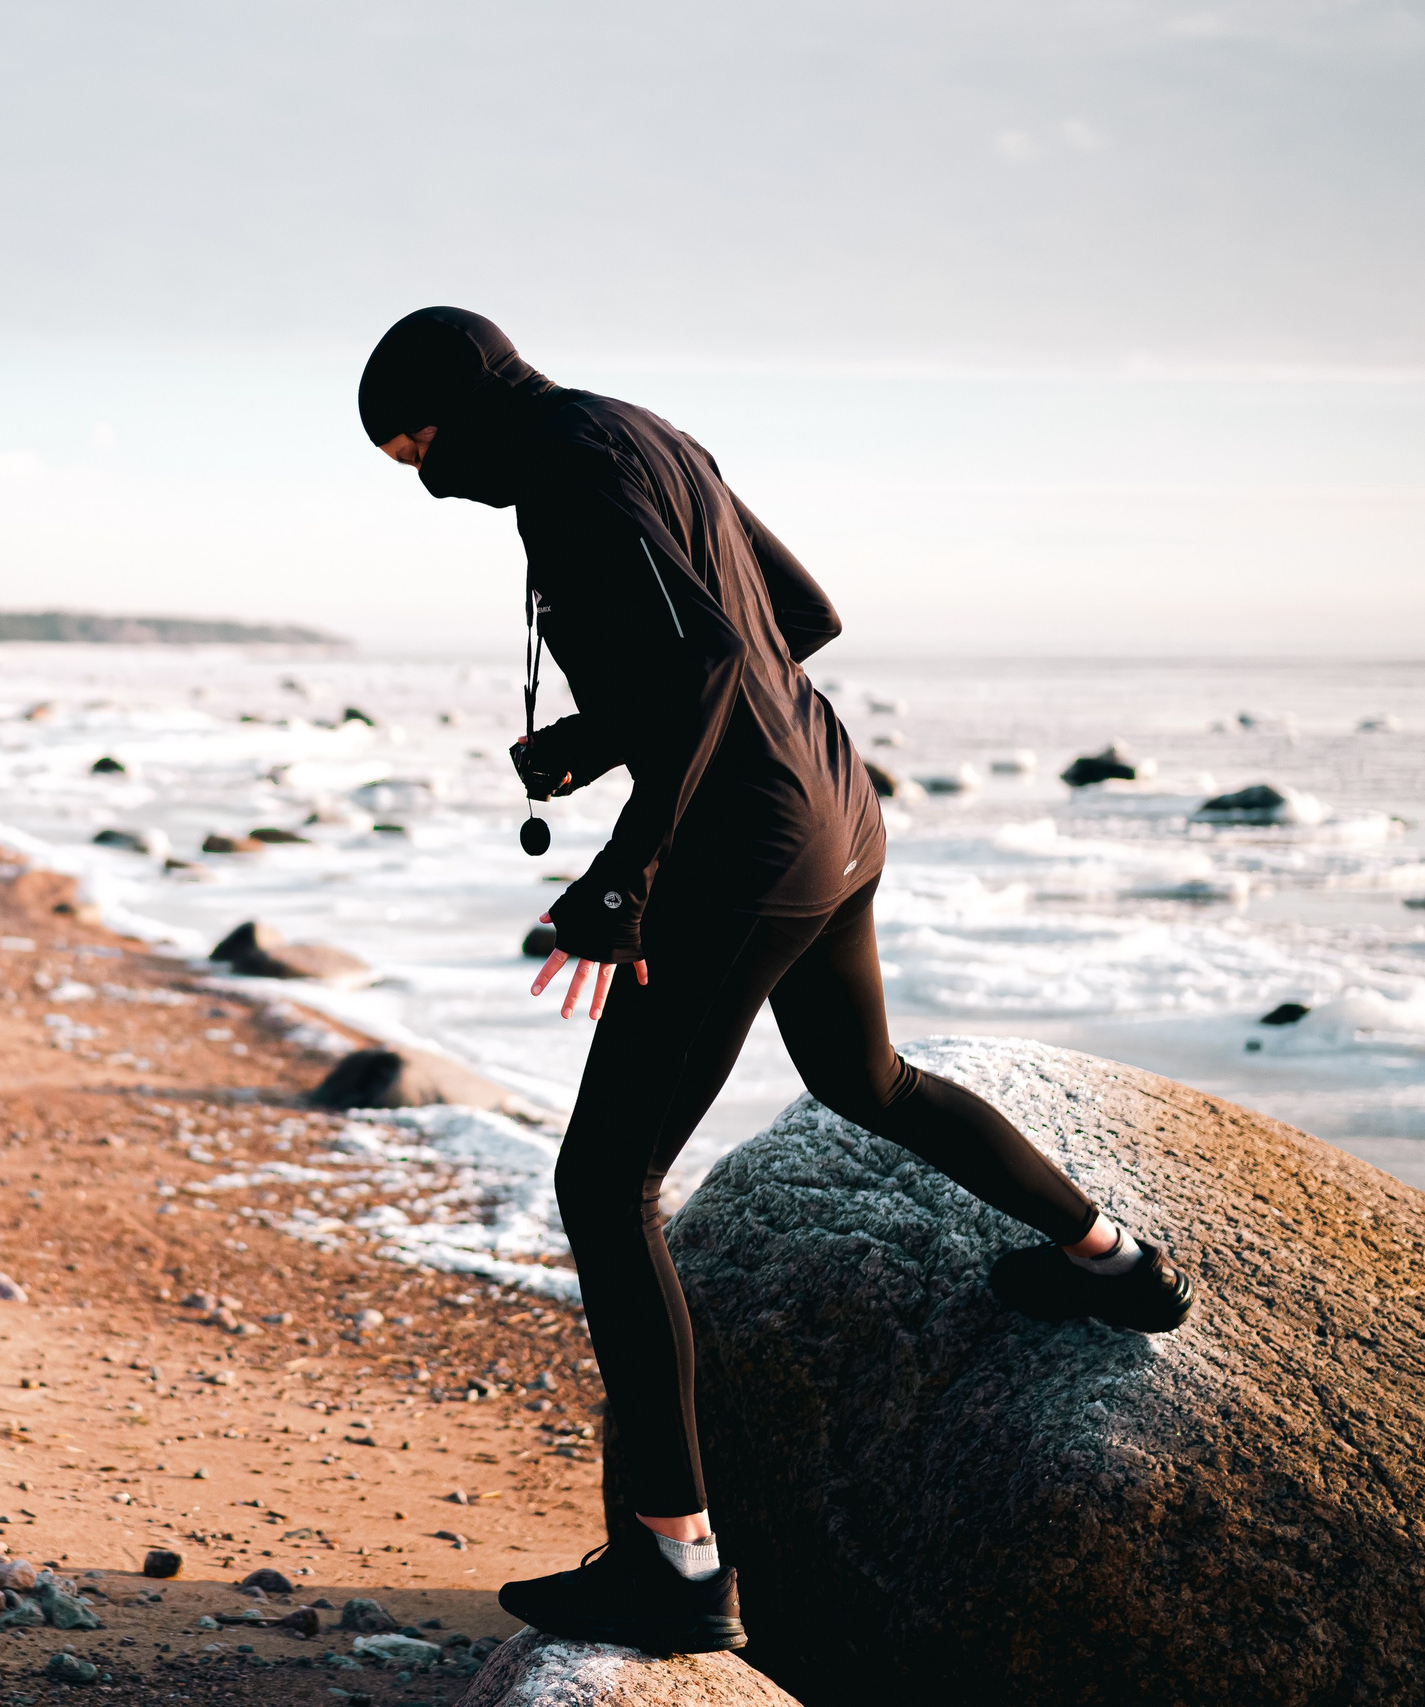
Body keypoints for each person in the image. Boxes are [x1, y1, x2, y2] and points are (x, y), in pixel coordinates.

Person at [359, 307, 1193, 1657]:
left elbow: (699, 669)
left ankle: (677, 1560)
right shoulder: (642, 433)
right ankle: (1116, 1259)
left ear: (454, 410)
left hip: (741, 847)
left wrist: (632, 867)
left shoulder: (566, 479)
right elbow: (795, 618)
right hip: (836, 808)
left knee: (604, 1180)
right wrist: (589, 738)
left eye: (418, 452)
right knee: (865, 1078)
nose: (424, 480)